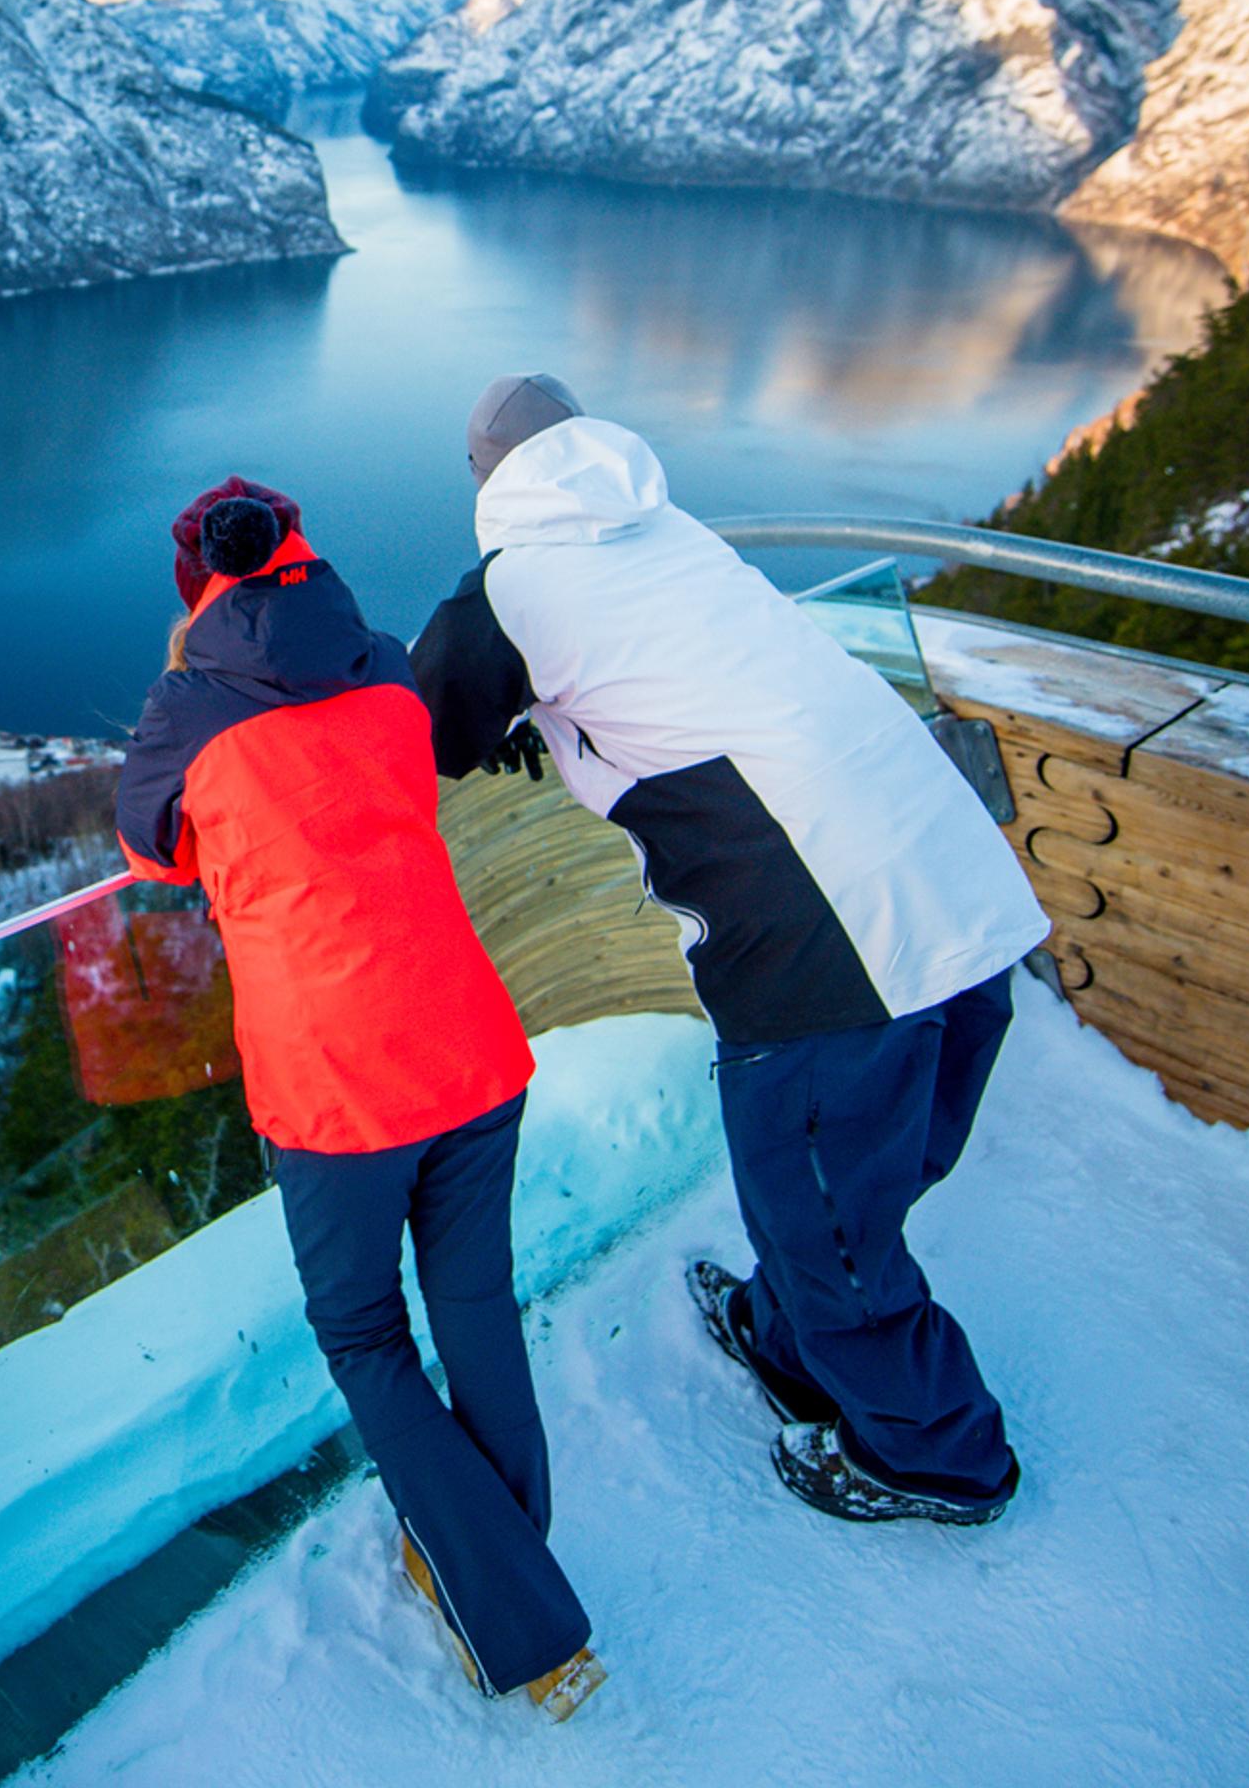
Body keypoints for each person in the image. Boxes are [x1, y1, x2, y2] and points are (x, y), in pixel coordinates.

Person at [411, 375, 1051, 1526]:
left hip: (830, 945)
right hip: (959, 891)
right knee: (856, 1184)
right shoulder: (670, 527)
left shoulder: (508, 591)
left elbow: (408, 729)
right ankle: (785, 1342)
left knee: (825, 1219)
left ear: (485, 475)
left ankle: (940, 1460)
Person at [118, 477, 604, 1720]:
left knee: (366, 1339)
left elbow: (151, 850)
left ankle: (519, 1614)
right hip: (467, 1039)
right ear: (302, 555)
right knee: (476, 1304)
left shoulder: (187, 703)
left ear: (198, 590)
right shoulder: (385, 665)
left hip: (336, 1082)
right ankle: (502, 1543)